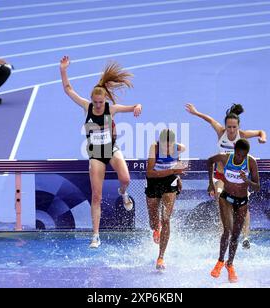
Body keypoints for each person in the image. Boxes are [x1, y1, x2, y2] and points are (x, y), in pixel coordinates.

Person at [60, 55, 142, 248]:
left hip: (111, 149)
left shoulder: (110, 109)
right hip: (96, 155)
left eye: (100, 102)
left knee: (126, 179)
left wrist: (138, 107)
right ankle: (96, 235)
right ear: (92, 100)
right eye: (95, 102)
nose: (97, 105)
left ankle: (124, 194)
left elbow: (132, 107)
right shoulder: (86, 107)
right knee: (96, 196)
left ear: (104, 99)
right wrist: (63, 70)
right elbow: (68, 90)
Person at [186, 103, 266, 249]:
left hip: (238, 177)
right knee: (221, 201)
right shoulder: (220, 132)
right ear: (225, 126)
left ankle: (246, 238)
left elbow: (261, 132)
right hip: (221, 176)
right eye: (229, 127)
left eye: (234, 127)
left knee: (243, 206)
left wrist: (262, 138)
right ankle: (223, 234)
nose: (231, 130)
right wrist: (196, 112)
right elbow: (209, 120)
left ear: (238, 127)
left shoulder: (243, 135)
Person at [207, 139, 260, 283]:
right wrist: (211, 183)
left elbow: (257, 187)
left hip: (242, 201)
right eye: (238, 154)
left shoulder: (251, 162)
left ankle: (229, 264)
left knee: (236, 236)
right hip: (226, 198)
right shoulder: (226, 158)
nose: (239, 158)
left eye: (242, 156)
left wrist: (247, 180)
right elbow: (209, 161)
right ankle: (219, 261)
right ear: (234, 150)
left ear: (247, 154)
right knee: (227, 231)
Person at [145, 129, 187, 270]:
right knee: (153, 221)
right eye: (164, 146)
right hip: (154, 180)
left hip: (170, 181)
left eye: (170, 146)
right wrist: (174, 171)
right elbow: (150, 173)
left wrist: (178, 176)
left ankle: (161, 257)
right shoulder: (154, 148)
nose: (167, 149)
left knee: (166, 219)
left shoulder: (180, 148)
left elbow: (180, 164)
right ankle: (156, 229)